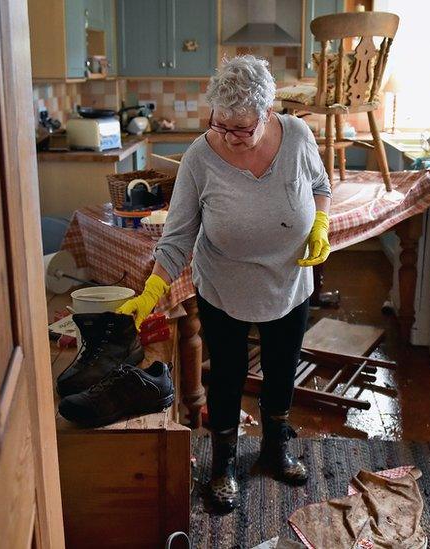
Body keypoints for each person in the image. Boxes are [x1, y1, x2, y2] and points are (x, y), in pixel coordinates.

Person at [117, 55, 331, 512]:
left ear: (268, 112)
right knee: (228, 378)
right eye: (221, 125)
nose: (230, 137)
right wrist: (152, 291)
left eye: (243, 129)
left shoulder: (297, 135)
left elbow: (320, 183)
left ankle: (275, 449)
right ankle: (223, 464)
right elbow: (177, 238)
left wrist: (321, 222)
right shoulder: (200, 156)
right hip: (224, 288)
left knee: (281, 371)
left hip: (290, 283)